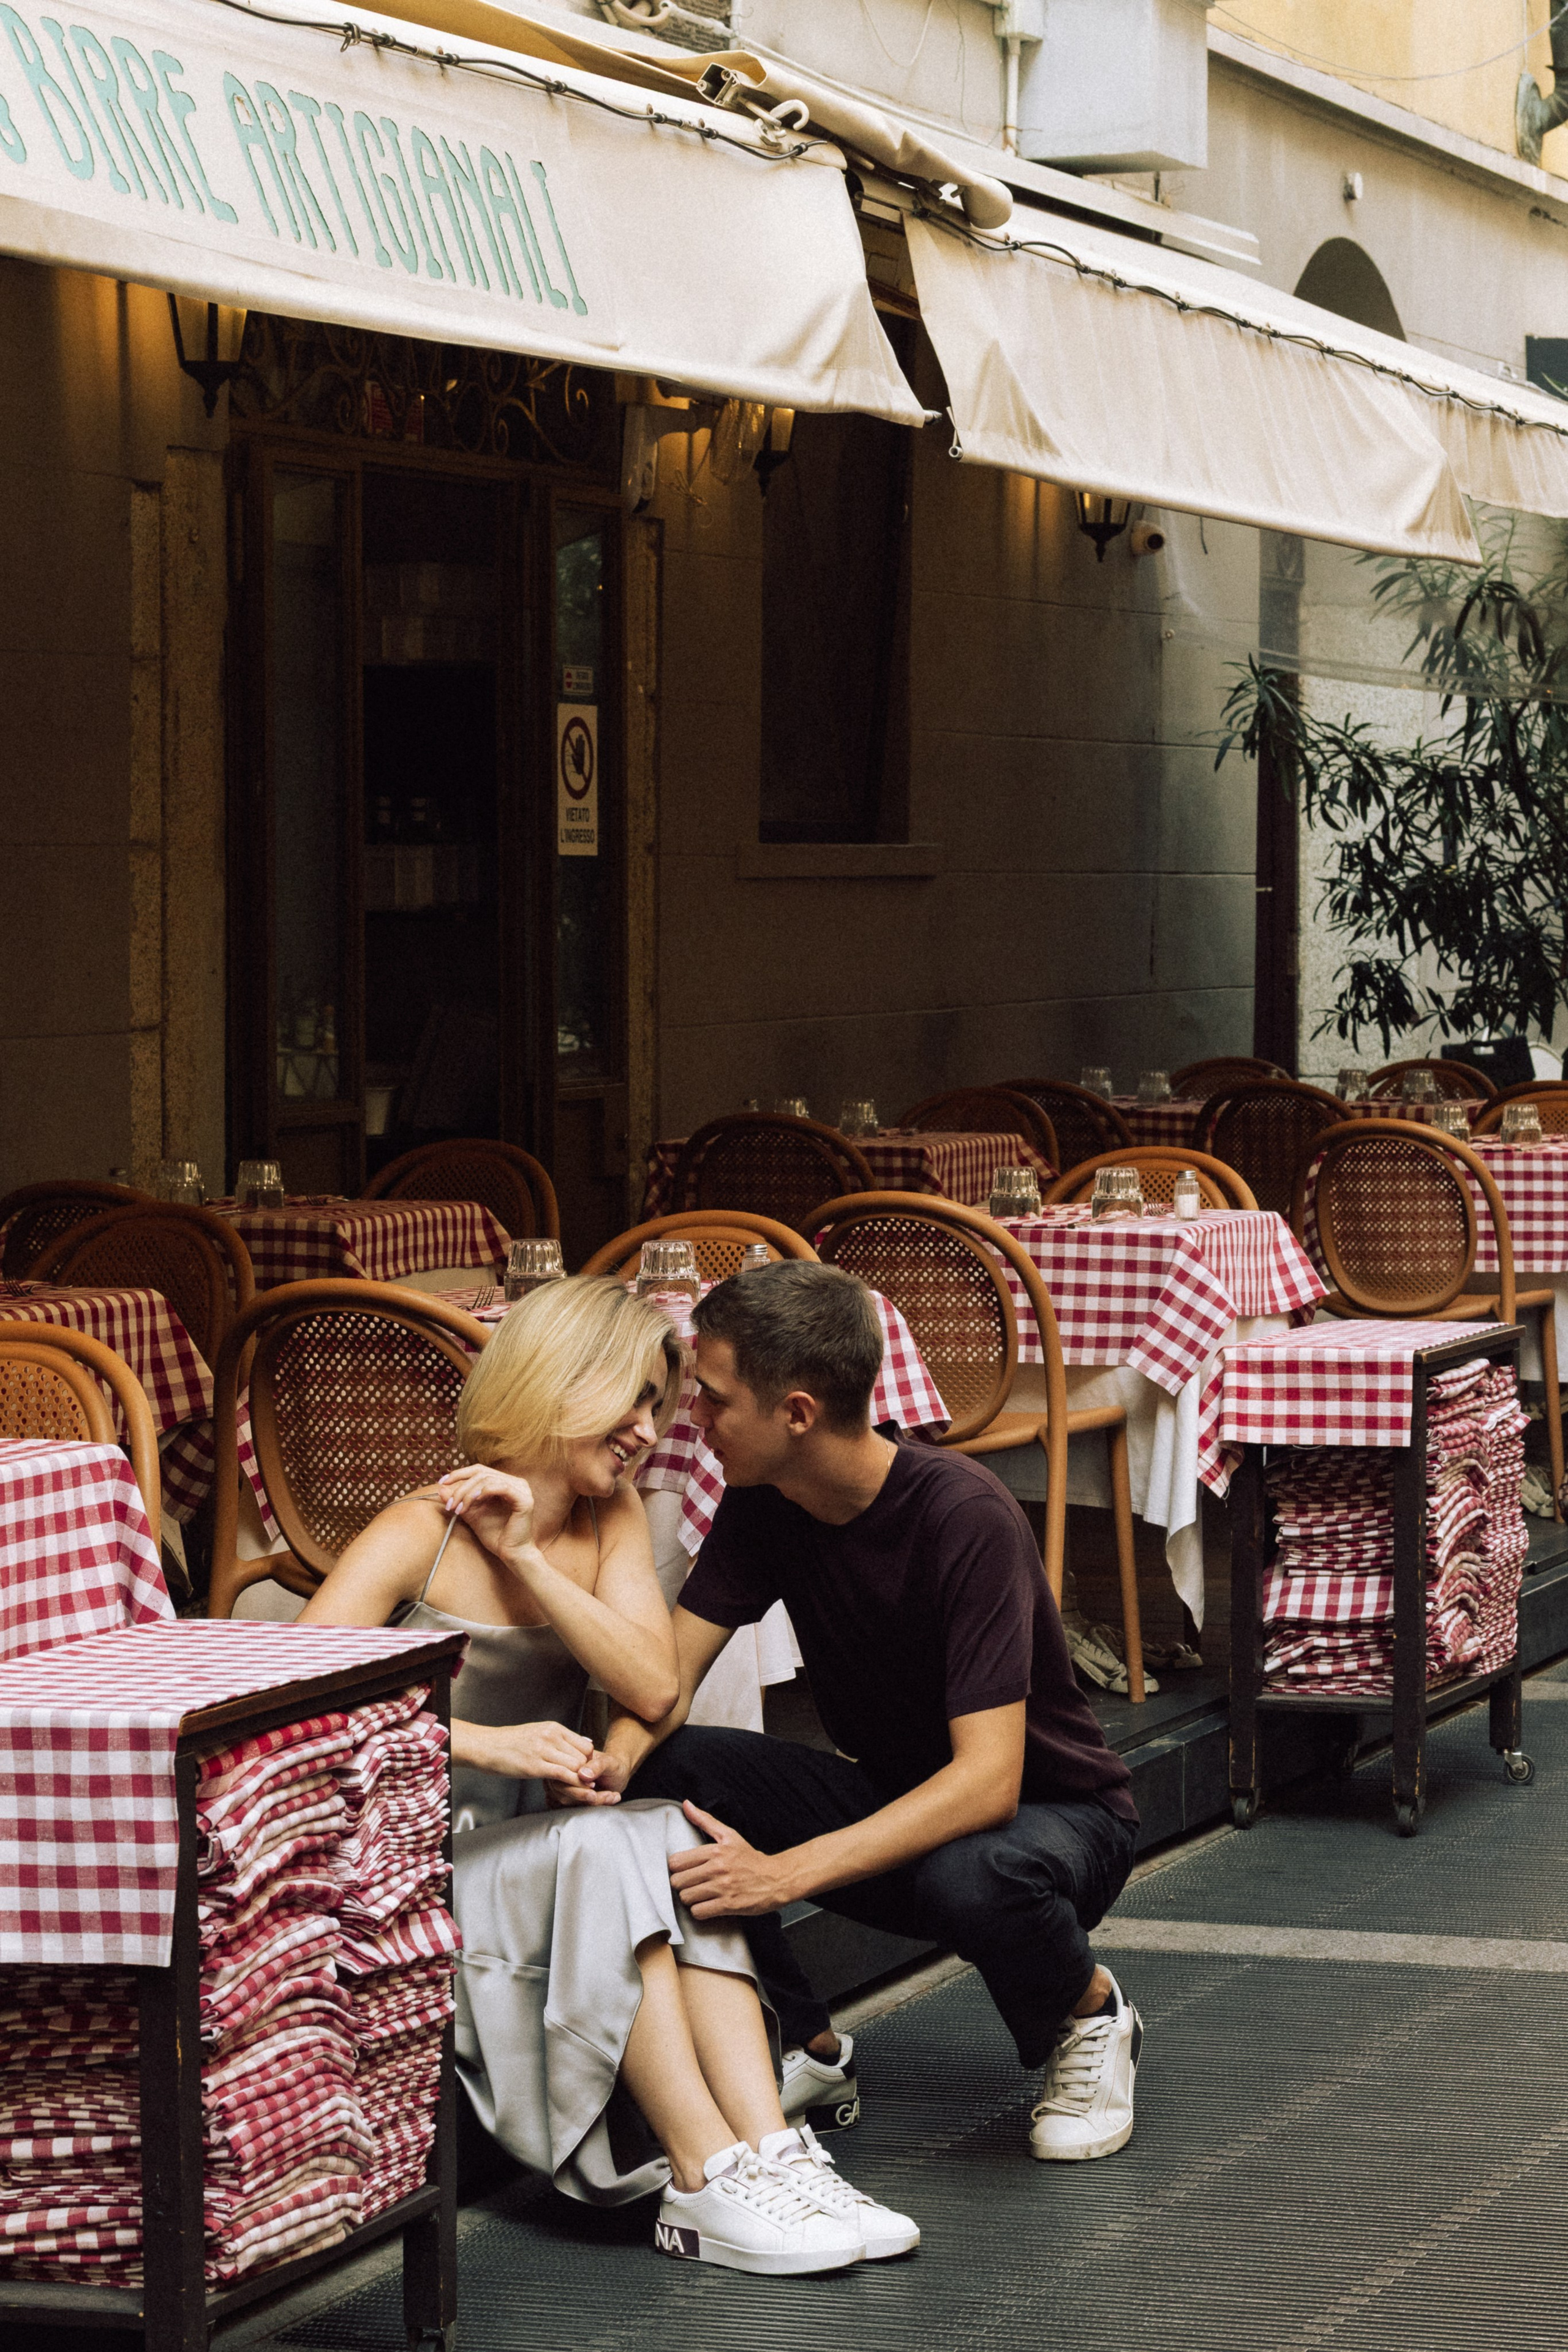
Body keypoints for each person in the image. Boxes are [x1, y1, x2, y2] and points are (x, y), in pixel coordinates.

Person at [298, 1276, 917, 2272]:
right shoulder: (421, 1528)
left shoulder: (609, 1514)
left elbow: (652, 1684)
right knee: (610, 1846)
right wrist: (481, 1743)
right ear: (556, 1384)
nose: (646, 1431)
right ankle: (702, 2173)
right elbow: (285, 1705)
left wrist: (530, 1558)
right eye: (629, 1400)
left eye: (657, 1406)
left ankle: (769, 2152)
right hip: (404, 1866)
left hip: (533, 1852)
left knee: (672, 1828)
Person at [559, 1262, 1144, 2165]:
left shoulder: (965, 1515)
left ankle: (1092, 2011)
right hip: (896, 1804)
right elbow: (664, 1681)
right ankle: (807, 2045)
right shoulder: (765, 1500)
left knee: (973, 1873)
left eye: (714, 1399)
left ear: (796, 1413)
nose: (692, 1418)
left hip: (1058, 1819)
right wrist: (617, 1763)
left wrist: (780, 1876)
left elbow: (989, 1784)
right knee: (676, 1772)